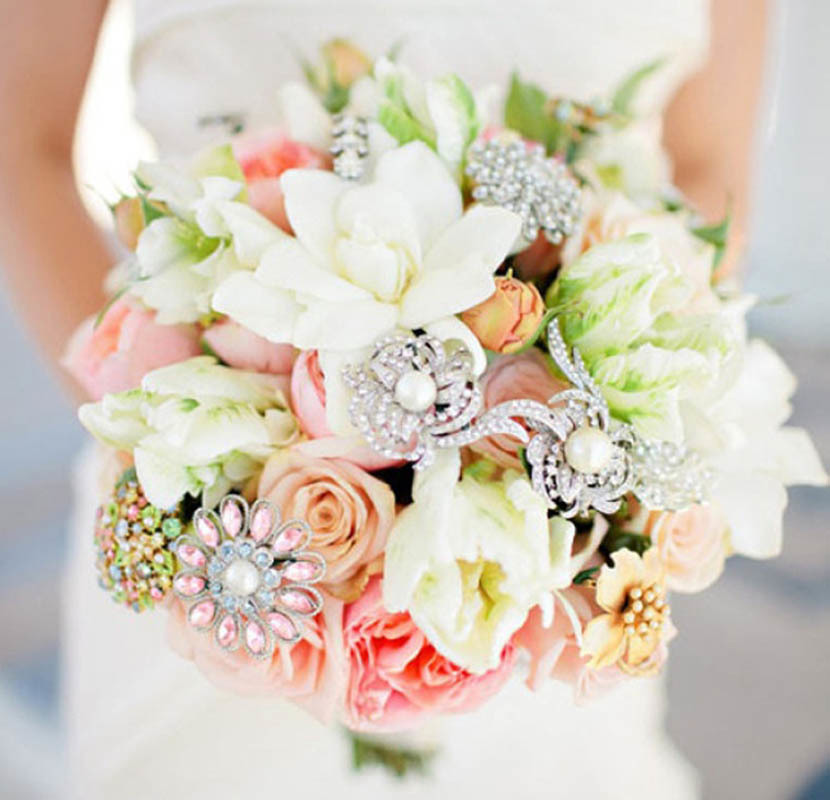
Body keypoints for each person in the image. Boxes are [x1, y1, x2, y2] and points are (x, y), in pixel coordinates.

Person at [0, 1, 767, 797]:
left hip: (547, 586)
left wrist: (578, 474)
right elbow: (22, 141)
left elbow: (708, 168)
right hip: (220, 559)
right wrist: (189, 457)